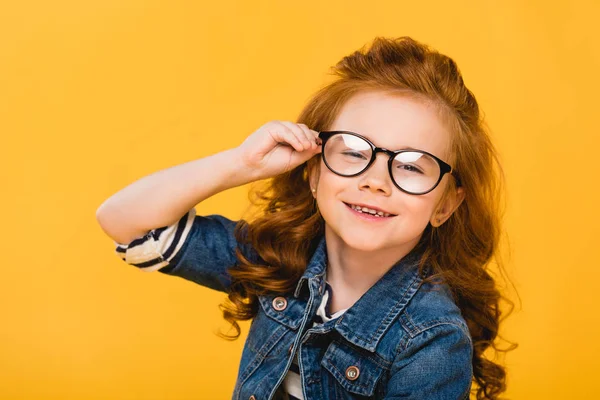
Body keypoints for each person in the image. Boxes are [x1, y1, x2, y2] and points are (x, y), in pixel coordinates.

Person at [96, 36, 516, 400]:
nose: (375, 181)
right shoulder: (277, 258)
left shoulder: (432, 339)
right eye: (353, 152)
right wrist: (241, 164)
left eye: (410, 166)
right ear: (314, 173)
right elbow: (125, 222)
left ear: (445, 205)